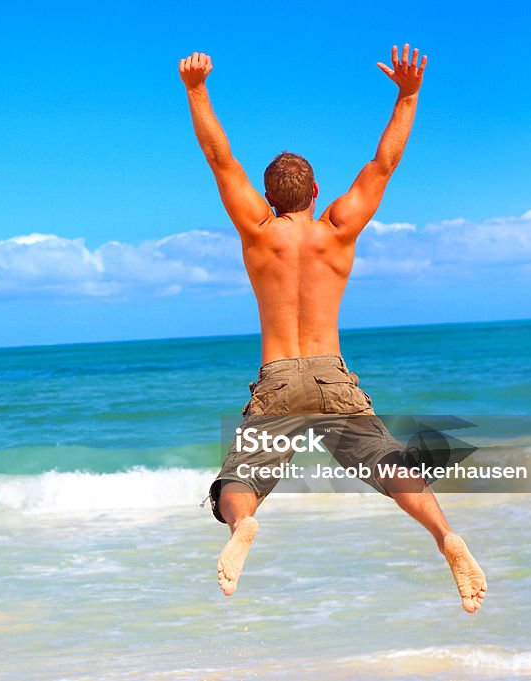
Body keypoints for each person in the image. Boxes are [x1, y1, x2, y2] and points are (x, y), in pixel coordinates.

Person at [179, 45, 487, 613]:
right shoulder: (338, 230)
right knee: (390, 465)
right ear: (317, 192)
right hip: (331, 376)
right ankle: (445, 537)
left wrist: (197, 89)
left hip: (277, 380)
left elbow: (220, 159)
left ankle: (244, 526)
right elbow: (382, 164)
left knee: (235, 484)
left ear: (267, 197)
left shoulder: (257, 231)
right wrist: (408, 93)